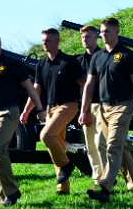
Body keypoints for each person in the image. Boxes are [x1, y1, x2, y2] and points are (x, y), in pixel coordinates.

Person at [80, 18, 133, 202]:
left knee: (113, 147)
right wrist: (83, 110)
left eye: (107, 31)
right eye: (102, 31)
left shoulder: (127, 55)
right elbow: (89, 86)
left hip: (122, 106)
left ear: (117, 32)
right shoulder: (97, 57)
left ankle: (105, 188)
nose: (103, 34)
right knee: (117, 147)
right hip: (103, 108)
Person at [0, 32, 45, 206]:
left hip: (8, 113)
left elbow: (30, 88)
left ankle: (12, 192)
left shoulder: (12, 64)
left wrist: (40, 108)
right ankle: (4, 196)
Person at [21, 28, 85, 195]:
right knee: (57, 145)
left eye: (48, 40)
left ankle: (66, 165)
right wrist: (26, 111)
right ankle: (63, 188)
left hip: (68, 106)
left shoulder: (69, 62)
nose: (44, 43)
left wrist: (86, 108)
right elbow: (37, 90)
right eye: (43, 41)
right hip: (51, 108)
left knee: (46, 136)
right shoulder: (42, 64)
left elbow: (84, 85)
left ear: (57, 42)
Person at [77, 24, 107, 185]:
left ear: (96, 37)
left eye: (88, 36)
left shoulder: (104, 57)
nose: (84, 40)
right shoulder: (79, 61)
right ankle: (98, 176)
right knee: (90, 144)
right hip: (86, 107)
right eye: (82, 37)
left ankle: (108, 175)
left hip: (103, 105)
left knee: (101, 142)